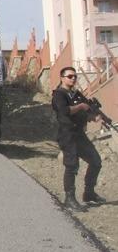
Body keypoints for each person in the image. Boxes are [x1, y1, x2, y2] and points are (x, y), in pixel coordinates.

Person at [51, 66, 104, 211]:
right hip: (67, 134)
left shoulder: (76, 94)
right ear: (62, 78)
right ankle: (69, 199)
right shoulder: (59, 95)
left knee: (96, 161)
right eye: (70, 76)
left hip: (79, 134)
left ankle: (89, 193)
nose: (73, 78)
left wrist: (93, 116)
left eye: (75, 76)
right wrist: (81, 106)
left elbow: (85, 111)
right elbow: (64, 111)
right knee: (72, 166)